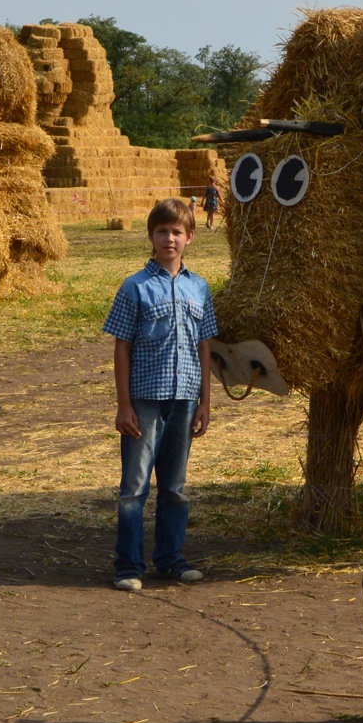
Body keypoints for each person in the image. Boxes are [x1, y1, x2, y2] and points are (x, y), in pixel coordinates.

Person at [101, 197, 218, 591]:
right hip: (145, 401)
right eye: (162, 231)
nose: (170, 238)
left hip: (185, 399)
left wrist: (205, 401)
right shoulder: (135, 287)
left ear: (190, 237)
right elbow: (122, 347)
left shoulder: (199, 287)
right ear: (151, 236)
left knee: (175, 487)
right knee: (134, 488)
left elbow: (205, 346)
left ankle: (170, 559)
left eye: (177, 232)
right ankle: (129, 566)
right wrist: (123, 404)